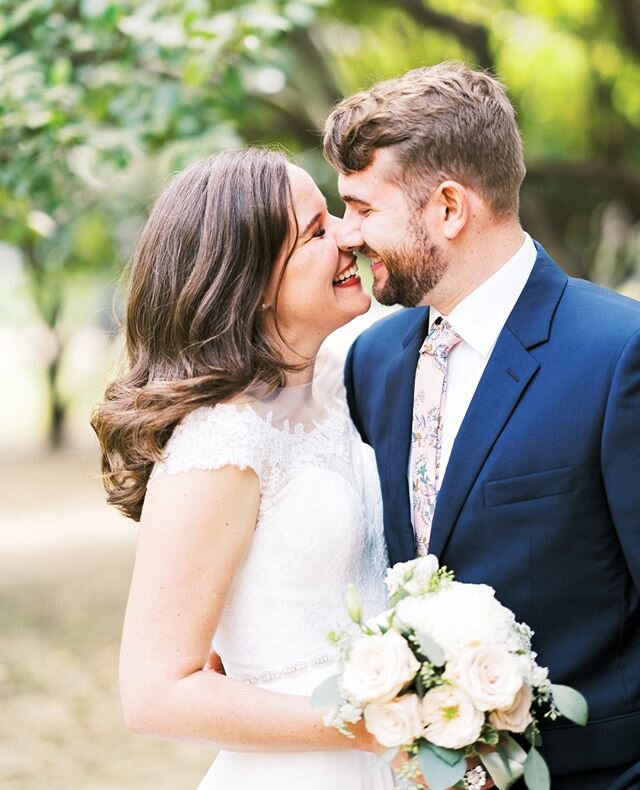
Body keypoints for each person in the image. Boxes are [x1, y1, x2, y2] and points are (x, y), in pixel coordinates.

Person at [323, 62, 640, 790]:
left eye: (362, 208)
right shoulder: (372, 361)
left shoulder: (619, 352)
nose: (347, 235)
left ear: (448, 208)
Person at [91, 148, 395, 789]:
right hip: (309, 767)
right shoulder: (220, 441)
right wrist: (362, 725)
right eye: (316, 231)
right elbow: (154, 693)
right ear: (254, 284)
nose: (348, 234)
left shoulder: (353, 380)